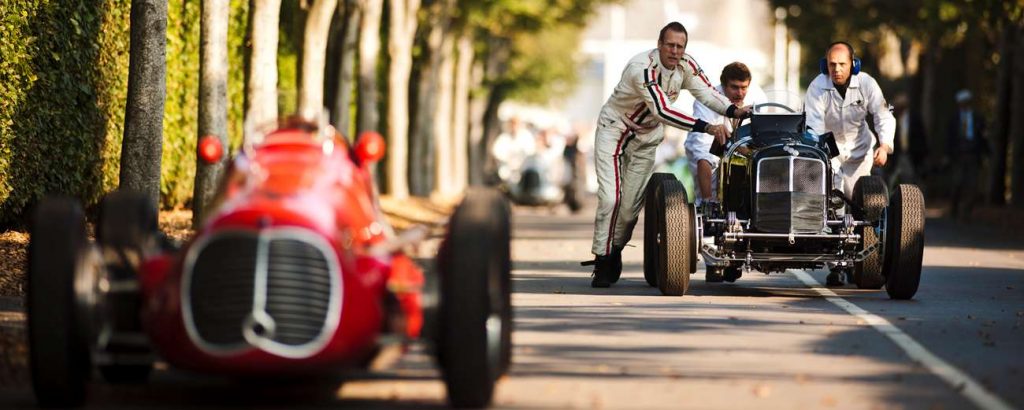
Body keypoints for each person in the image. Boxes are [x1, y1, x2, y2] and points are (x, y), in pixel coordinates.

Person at [586, 22, 751, 288]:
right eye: (670, 45)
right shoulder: (642, 67)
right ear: (659, 44)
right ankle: (603, 259)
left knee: (629, 210)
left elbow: (708, 92)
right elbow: (662, 110)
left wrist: (734, 112)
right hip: (615, 129)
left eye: (680, 46)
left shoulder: (686, 65)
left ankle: (614, 249)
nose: (675, 52)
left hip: (645, 137)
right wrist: (706, 126)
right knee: (610, 199)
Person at [805, 41, 895, 287]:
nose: (837, 69)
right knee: (833, 206)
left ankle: (865, 259)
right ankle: (837, 266)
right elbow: (814, 128)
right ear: (825, 65)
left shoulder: (866, 83)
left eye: (842, 64)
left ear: (853, 65)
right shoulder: (817, 87)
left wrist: (885, 146)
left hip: (860, 154)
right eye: (832, 64)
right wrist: (825, 159)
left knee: (860, 208)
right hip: (829, 154)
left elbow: (883, 115)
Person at [684, 62, 767, 207]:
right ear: (723, 86)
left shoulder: (758, 96)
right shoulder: (706, 100)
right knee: (709, 195)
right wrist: (708, 203)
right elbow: (702, 151)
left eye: (743, 87)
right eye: (734, 87)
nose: (740, 93)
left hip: (742, 151)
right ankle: (705, 207)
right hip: (709, 150)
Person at [947, 89, 988, 221]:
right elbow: (949, 138)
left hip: (973, 155)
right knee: (957, 183)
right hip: (958, 155)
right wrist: (948, 155)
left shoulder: (978, 117)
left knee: (972, 185)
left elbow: (983, 137)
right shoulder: (954, 118)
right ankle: (954, 209)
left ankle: (966, 213)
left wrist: (986, 153)